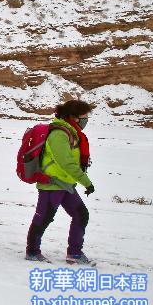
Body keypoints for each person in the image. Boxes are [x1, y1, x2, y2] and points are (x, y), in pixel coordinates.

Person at [26, 100, 96, 265]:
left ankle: (74, 253)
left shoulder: (71, 132)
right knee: (43, 218)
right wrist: (86, 182)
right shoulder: (59, 134)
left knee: (81, 215)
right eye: (83, 116)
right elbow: (66, 162)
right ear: (73, 117)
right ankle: (32, 251)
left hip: (66, 184)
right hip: (52, 184)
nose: (86, 119)